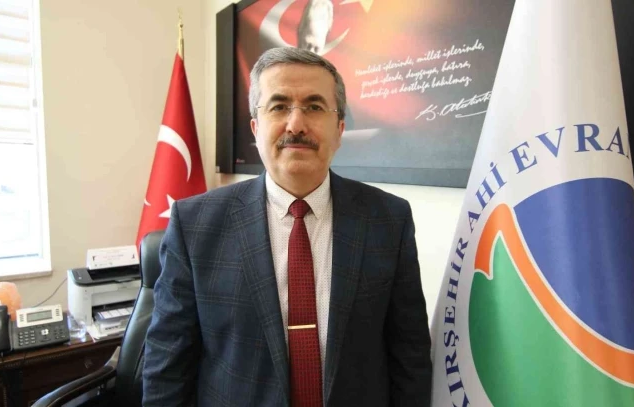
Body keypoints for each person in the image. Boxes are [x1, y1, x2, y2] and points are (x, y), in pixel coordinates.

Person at [142, 47, 432, 407]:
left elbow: (410, 357)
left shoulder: (389, 220)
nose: (296, 125)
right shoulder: (195, 225)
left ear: (339, 129)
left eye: (314, 107)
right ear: (256, 127)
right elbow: (167, 367)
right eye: (279, 106)